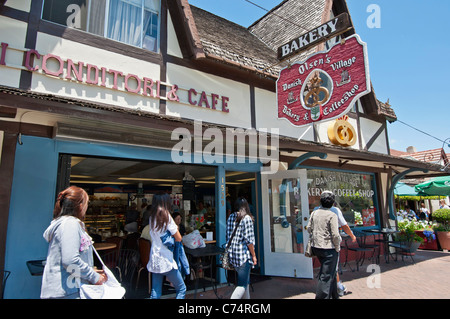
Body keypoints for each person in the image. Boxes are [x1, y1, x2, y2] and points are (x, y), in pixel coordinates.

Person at [41, 186, 107, 299]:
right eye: (87, 203)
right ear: (81, 205)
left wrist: (90, 269)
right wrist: (94, 277)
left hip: (65, 290)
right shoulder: (70, 224)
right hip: (67, 291)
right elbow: (70, 260)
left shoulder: (63, 223)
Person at [147, 193, 186, 299]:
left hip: (155, 258)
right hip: (166, 258)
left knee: (155, 292)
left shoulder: (152, 217)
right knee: (181, 288)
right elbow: (178, 237)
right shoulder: (166, 215)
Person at [314, 201, 356, 296]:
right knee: (331, 268)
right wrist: (352, 236)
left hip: (318, 244)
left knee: (328, 267)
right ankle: (335, 288)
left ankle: (336, 289)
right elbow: (344, 225)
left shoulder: (316, 210)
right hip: (330, 245)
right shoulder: (335, 210)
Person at [307, 191, 342, 299]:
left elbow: (309, 228)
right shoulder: (332, 215)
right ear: (332, 203)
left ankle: (335, 295)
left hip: (316, 247)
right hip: (328, 248)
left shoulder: (314, 213)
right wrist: (337, 247)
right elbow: (335, 235)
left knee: (331, 272)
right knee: (325, 276)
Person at [226, 197, 257, 299]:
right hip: (243, 255)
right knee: (242, 285)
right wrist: (254, 255)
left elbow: (228, 235)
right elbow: (249, 241)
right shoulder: (247, 219)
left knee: (245, 282)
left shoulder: (231, 217)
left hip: (233, 254)